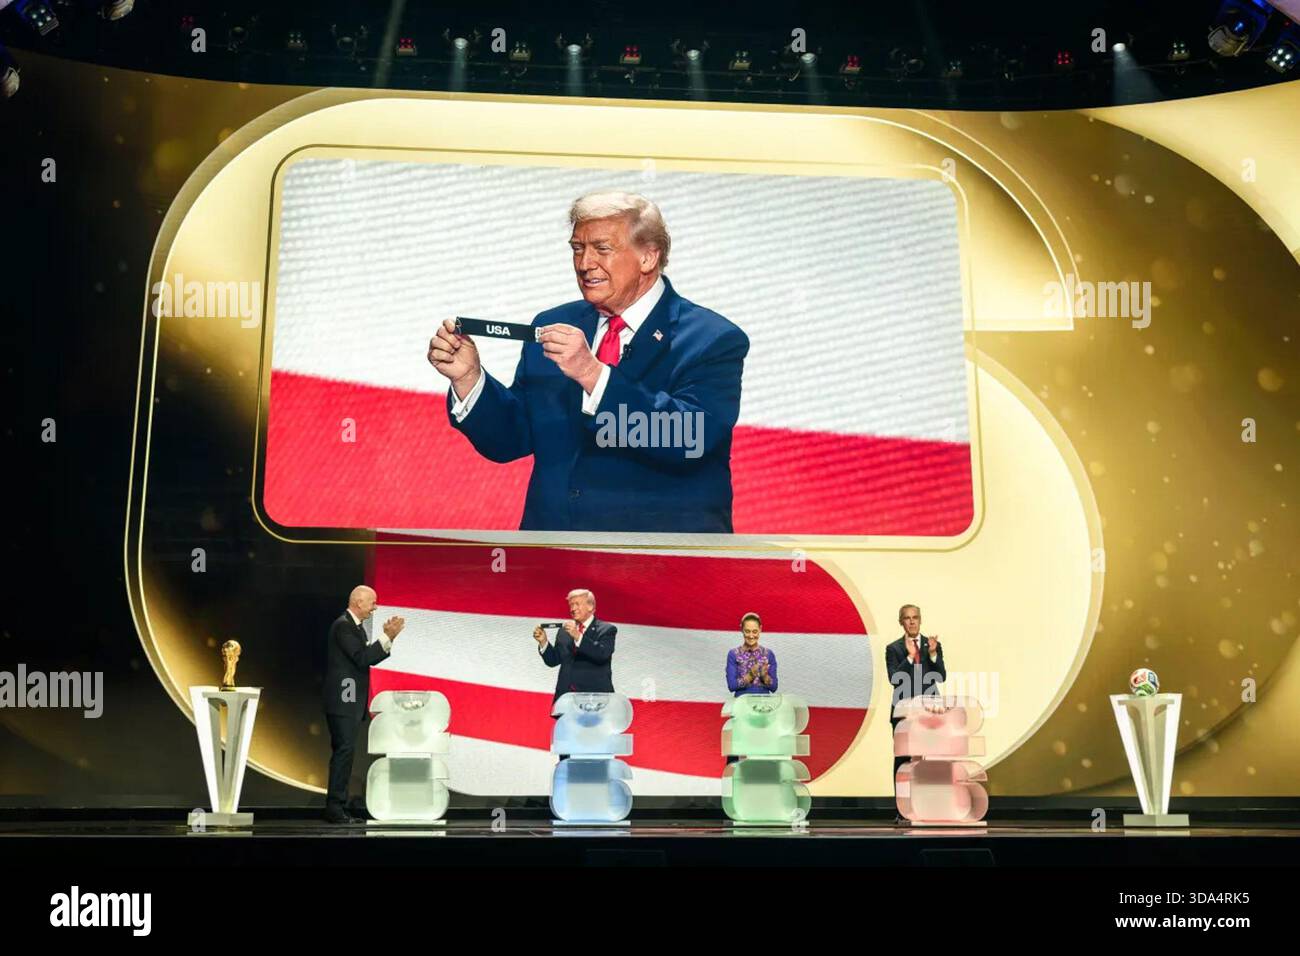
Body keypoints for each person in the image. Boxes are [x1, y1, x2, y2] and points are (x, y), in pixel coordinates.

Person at [428, 190, 749, 532]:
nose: (585, 264)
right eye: (578, 249)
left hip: (657, 567)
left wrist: (593, 375)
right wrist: (470, 380)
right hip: (554, 562)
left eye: (602, 249)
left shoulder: (712, 339)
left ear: (648, 257)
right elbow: (511, 438)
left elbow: (689, 438)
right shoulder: (553, 324)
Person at [321, 585, 405, 824]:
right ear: (359, 602)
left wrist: (386, 639)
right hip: (342, 703)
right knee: (344, 752)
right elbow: (362, 658)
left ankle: (338, 807)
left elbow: (365, 656)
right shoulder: (343, 626)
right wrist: (388, 636)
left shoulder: (352, 627)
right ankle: (335, 808)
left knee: (345, 753)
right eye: (372, 603)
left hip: (347, 704)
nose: (375, 607)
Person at [533, 588, 616, 760]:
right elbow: (554, 660)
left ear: (591, 607)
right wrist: (544, 643)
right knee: (567, 758)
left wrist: (578, 636)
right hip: (567, 704)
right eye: (571, 604)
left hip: (595, 705)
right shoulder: (564, 632)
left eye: (577, 604)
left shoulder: (607, 630)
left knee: (596, 755)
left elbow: (601, 655)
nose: (573, 608)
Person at [884, 604, 946, 823]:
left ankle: (929, 808)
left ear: (921, 620)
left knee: (929, 761)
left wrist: (932, 654)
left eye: (915, 617)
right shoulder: (893, 648)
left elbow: (940, 677)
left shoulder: (932, 646)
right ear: (901, 621)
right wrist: (909, 658)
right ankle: (903, 810)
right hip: (904, 713)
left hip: (929, 711)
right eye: (907, 618)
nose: (911, 621)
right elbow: (894, 679)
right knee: (903, 762)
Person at [724, 612, 778, 764]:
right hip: (741, 709)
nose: (751, 635)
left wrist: (764, 677)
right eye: (747, 631)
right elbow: (732, 685)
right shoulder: (733, 654)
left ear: (760, 629)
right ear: (741, 630)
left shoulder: (769, 655)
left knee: (763, 751)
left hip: (763, 710)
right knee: (735, 751)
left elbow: (774, 686)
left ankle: (762, 781)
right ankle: (734, 782)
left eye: (754, 631)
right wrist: (750, 675)